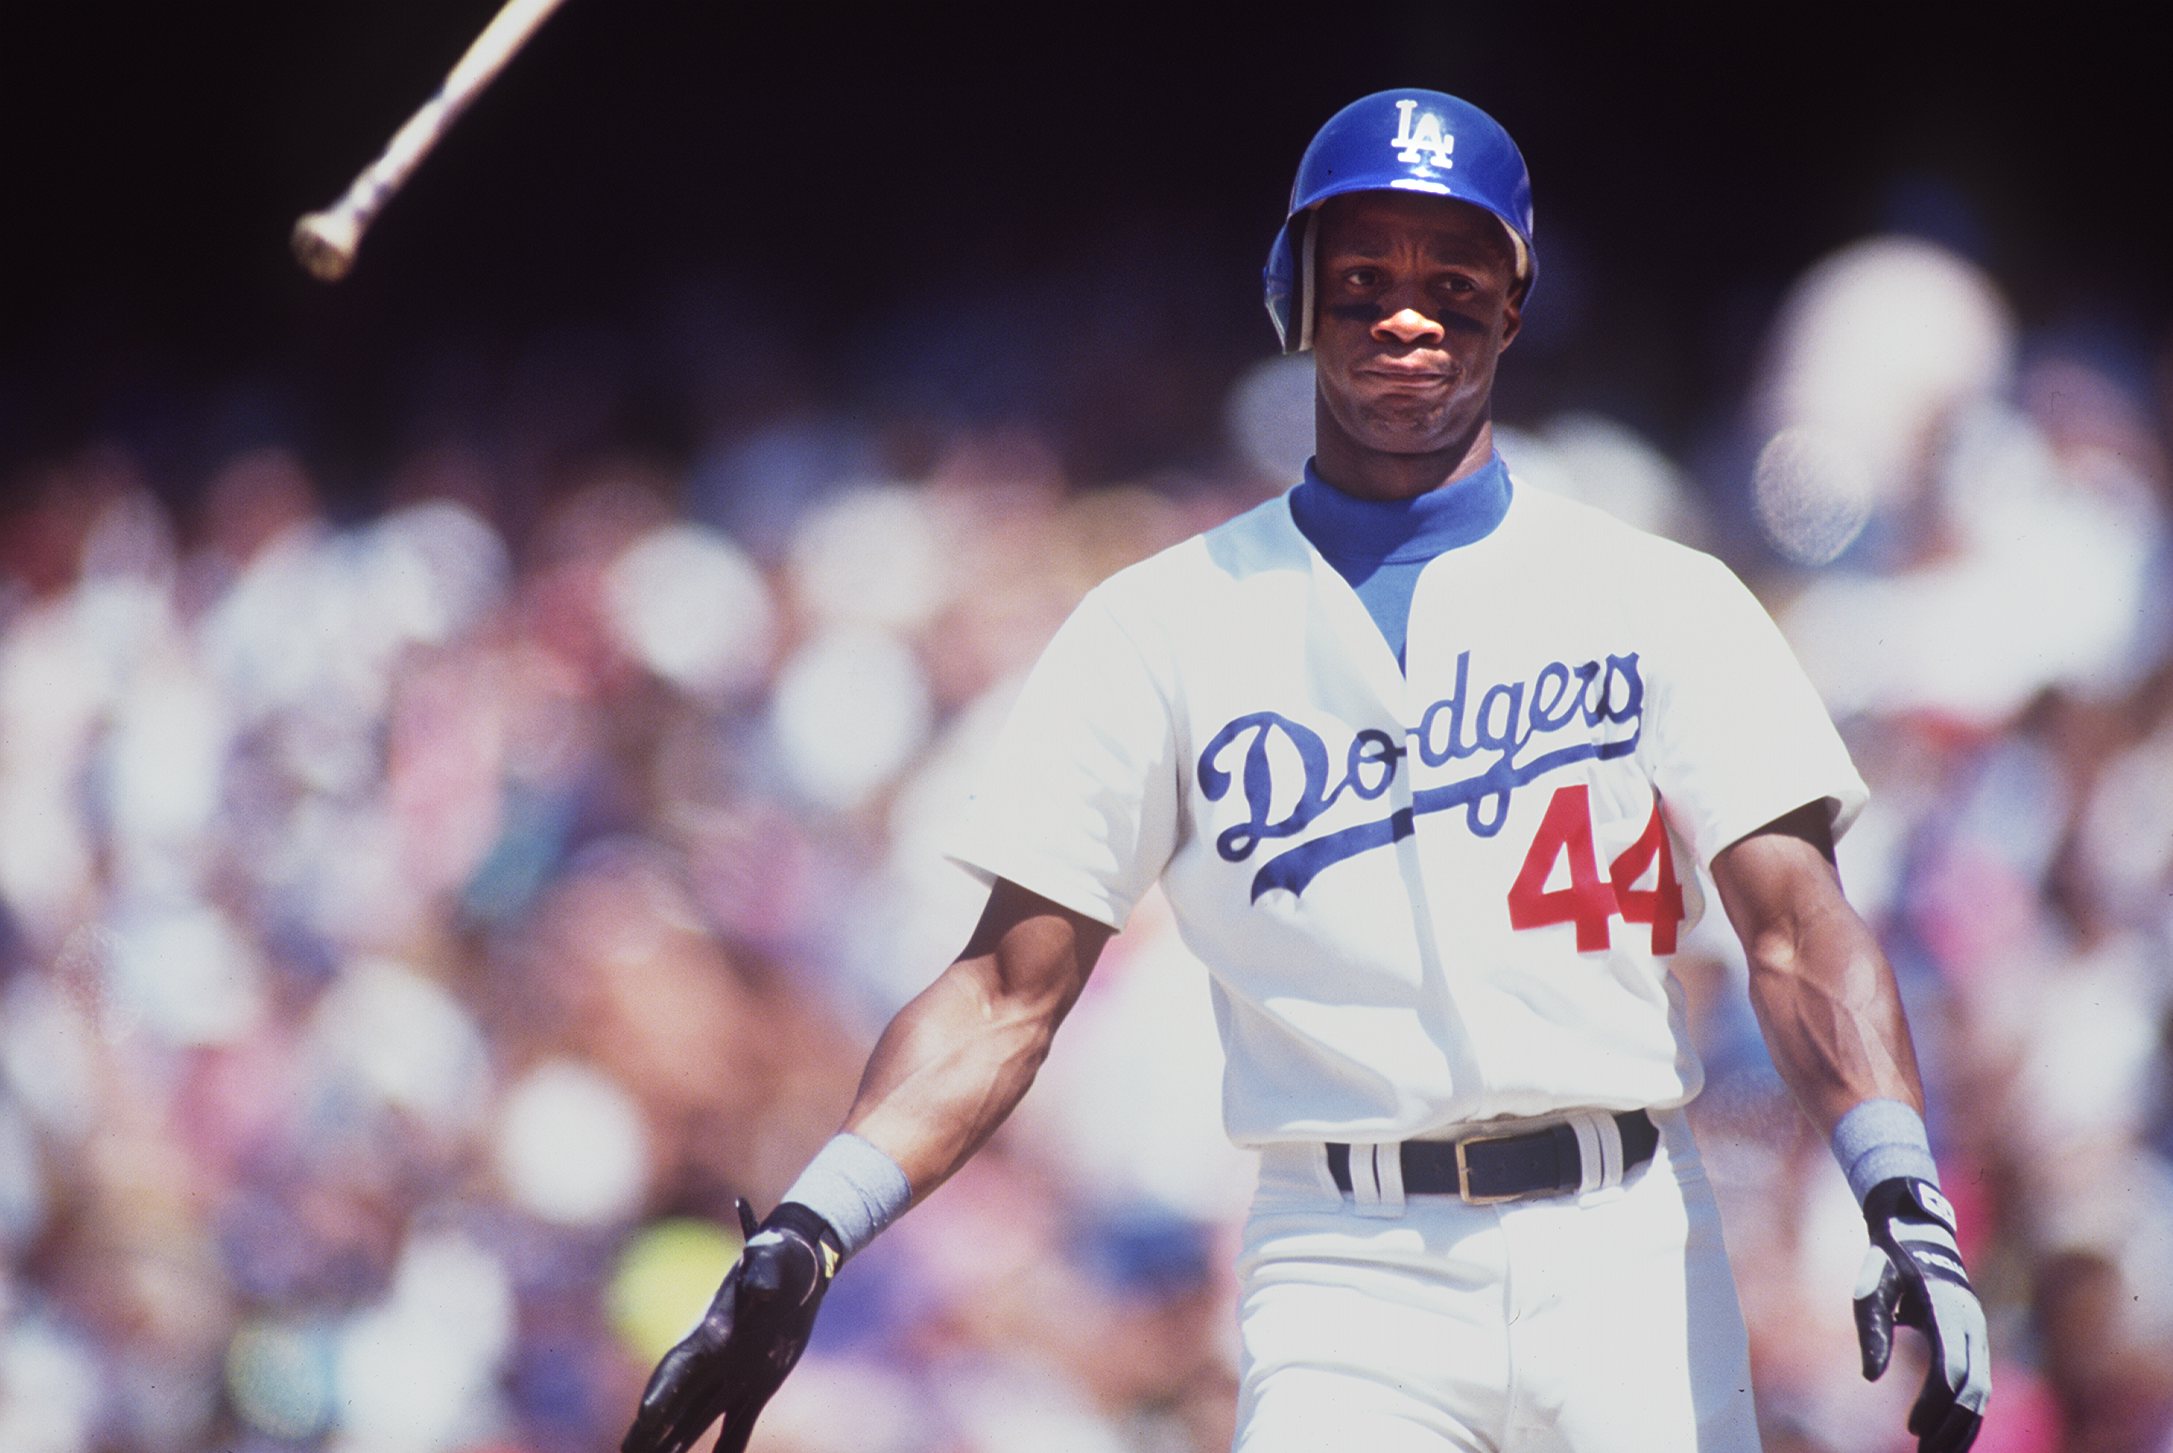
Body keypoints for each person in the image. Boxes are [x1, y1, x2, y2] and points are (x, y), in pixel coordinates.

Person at [618, 88, 1990, 1453]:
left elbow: (1797, 929)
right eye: (1364, 279)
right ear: (1297, 297)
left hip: (1627, 1239)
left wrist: (1900, 1190)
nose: (1408, 316)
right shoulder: (1159, 625)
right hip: (1346, 1263)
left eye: (1454, 283)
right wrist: (814, 1227)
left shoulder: (1662, 597)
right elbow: (1003, 993)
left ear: (1513, 306)